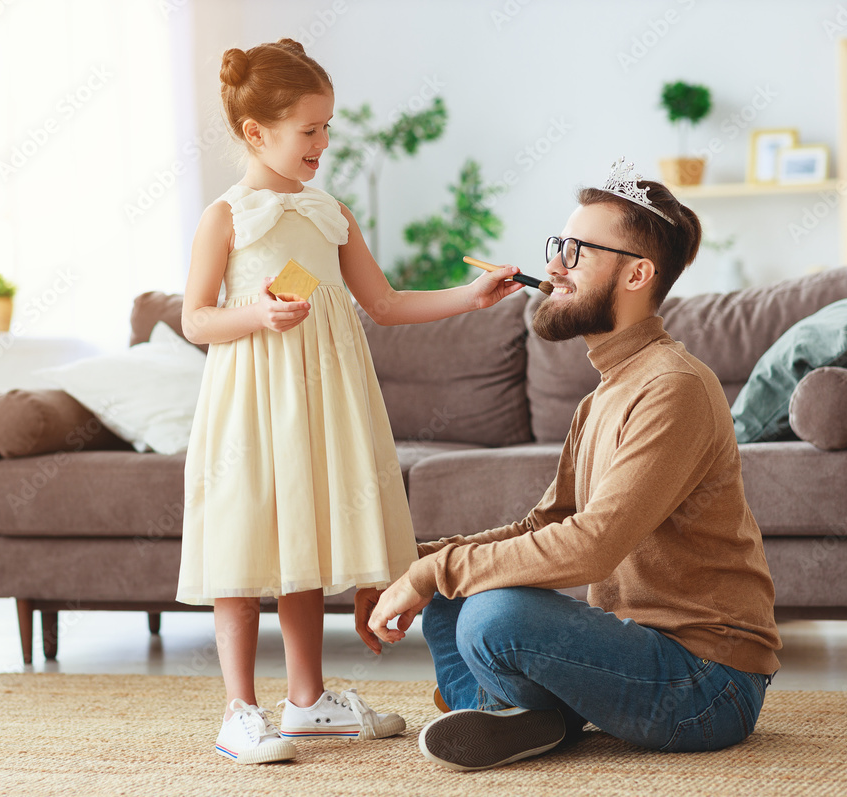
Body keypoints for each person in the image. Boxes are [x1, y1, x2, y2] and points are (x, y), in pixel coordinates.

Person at [361, 159, 783, 772]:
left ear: (638, 273)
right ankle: (523, 719)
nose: (555, 266)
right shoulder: (603, 393)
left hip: (707, 684)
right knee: (457, 590)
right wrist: (419, 560)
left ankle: (527, 715)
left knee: (491, 610)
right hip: (633, 652)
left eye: (578, 252)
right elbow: (544, 525)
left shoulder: (674, 386)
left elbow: (591, 547)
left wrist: (440, 570)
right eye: (559, 245)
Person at [176, 39, 523, 765]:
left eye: (328, 127)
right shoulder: (227, 217)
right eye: (309, 130)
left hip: (322, 404)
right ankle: (239, 711)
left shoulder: (330, 213)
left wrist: (472, 295)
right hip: (250, 403)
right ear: (255, 132)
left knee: (301, 540)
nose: (323, 143)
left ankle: (306, 701)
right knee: (243, 538)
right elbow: (195, 319)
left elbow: (386, 302)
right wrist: (256, 317)